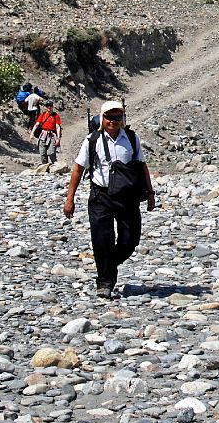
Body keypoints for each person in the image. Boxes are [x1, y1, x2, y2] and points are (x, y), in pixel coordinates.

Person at [64, 101, 156, 298]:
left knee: (130, 239)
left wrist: (150, 193)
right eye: (109, 117)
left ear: (123, 119)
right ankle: (105, 282)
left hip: (127, 197)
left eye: (117, 117)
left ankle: (108, 264)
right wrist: (70, 198)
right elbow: (79, 168)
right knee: (102, 240)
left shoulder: (132, 138)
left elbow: (142, 166)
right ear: (102, 119)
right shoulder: (92, 140)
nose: (113, 121)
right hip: (101, 196)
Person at [30, 100, 62, 164]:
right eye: (47, 106)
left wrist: (58, 138)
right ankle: (45, 167)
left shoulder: (56, 116)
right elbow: (37, 124)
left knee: (51, 152)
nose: (49, 107)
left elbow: (57, 127)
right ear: (45, 107)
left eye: (50, 106)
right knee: (42, 153)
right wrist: (31, 134)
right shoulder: (42, 115)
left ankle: (55, 165)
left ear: (52, 107)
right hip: (43, 135)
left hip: (51, 135)